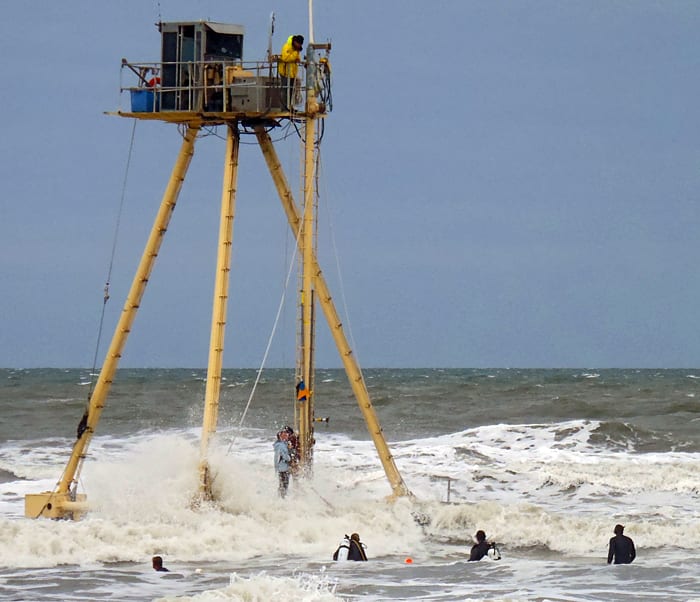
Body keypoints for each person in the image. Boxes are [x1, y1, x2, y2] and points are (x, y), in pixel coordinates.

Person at [278, 34, 304, 109]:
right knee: (285, 90)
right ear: (295, 42)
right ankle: (283, 107)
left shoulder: (296, 49)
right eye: (298, 44)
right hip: (285, 71)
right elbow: (286, 58)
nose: (299, 45)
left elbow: (296, 58)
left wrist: (296, 58)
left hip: (292, 72)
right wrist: (295, 54)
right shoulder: (287, 46)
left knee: (291, 90)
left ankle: (289, 106)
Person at [273, 429, 292, 497]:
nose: (286, 436)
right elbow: (284, 456)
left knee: (283, 485)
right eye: (284, 435)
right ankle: (282, 498)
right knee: (284, 485)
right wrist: (290, 458)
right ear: (280, 436)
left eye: (286, 434)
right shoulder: (281, 445)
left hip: (282, 467)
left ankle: (281, 498)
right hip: (283, 468)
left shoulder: (282, 444)